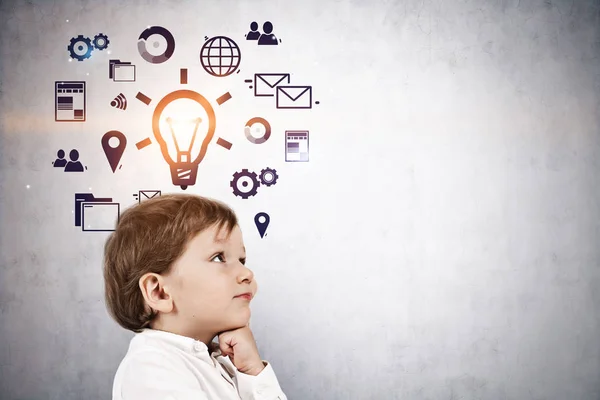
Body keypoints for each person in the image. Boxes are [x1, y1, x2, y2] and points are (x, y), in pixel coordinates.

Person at [104, 194, 287, 400]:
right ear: (159, 292)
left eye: (242, 259)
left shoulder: (224, 363)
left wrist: (253, 372)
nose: (247, 273)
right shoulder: (150, 367)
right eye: (218, 257)